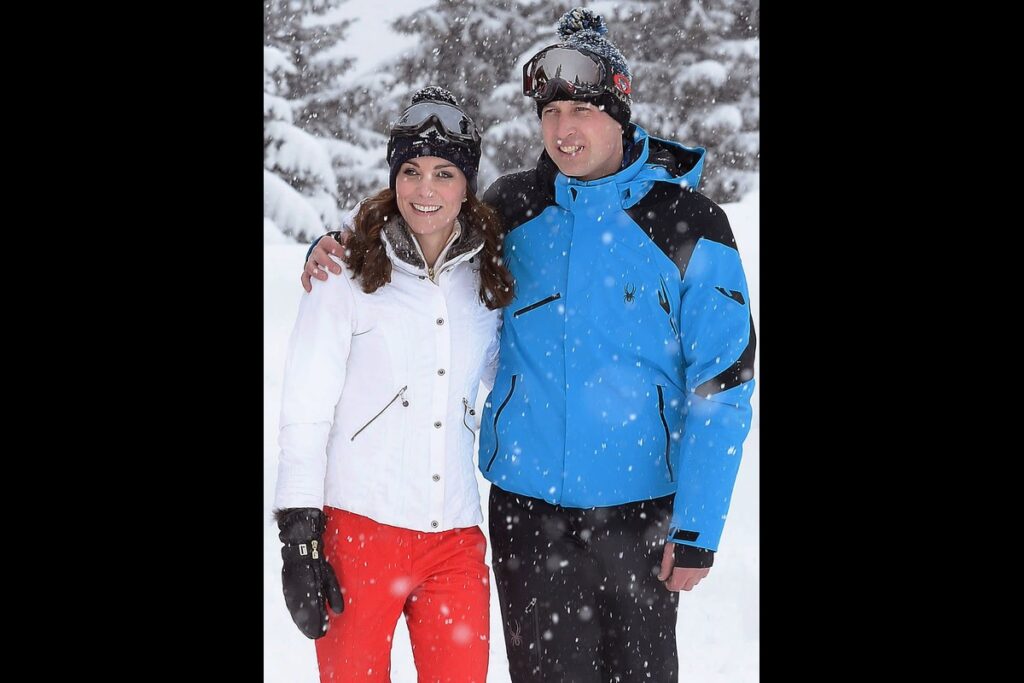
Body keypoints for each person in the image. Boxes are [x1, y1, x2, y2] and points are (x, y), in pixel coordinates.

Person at [302, 8, 756, 682]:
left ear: (620, 110)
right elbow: (425, 238)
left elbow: (725, 380)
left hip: (641, 515)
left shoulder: (687, 222)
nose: (563, 130)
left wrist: (697, 526)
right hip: (527, 515)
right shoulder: (513, 208)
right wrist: (336, 246)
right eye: (550, 112)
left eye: (580, 109)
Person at [274, 86, 515, 683]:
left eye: (443, 173)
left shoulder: (487, 280)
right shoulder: (344, 273)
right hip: (360, 535)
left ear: (467, 184)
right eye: (411, 171)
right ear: (393, 178)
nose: (425, 190)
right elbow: (305, 410)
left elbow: (508, 375)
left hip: (455, 538)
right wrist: (298, 538)